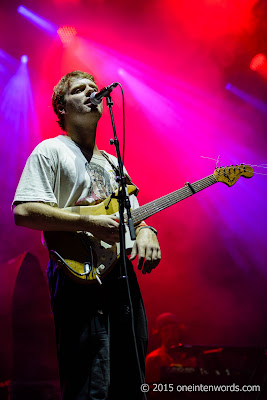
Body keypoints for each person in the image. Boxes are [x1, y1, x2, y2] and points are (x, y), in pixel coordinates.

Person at [12, 71, 161, 400]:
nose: (92, 92)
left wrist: (147, 229)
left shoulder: (113, 161)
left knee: (131, 372)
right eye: (80, 90)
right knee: (90, 380)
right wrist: (91, 224)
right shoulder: (50, 151)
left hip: (120, 275)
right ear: (62, 108)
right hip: (77, 273)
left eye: (94, 88)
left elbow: (133, 215)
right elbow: (23, 212)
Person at [145, 313, 196, 385]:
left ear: (179, 332)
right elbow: (148, 390)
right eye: (166, 331)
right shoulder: (152, 359)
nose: (171, 334)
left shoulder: (189, 357)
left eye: (174, 330)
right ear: (159, 334)